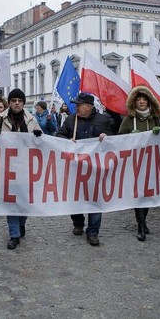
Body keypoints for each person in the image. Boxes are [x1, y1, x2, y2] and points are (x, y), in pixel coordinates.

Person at [57, 92, 114, 246]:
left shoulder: (103, 120)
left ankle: (93, 231)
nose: (76, 107)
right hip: (75, 167)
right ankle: (78, 223)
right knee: (74, 197)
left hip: (96, 168)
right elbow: (60, 135)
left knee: (95, 199)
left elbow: (116, 138)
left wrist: (106, 136)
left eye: (79, 104)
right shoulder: (71, 119)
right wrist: (68, 140)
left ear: (88, 107)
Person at [0, 89, 42, 249]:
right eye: (13, 100)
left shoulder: (31, 119)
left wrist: (39, 136)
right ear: (10, 102)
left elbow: (41, 142)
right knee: (11, 201)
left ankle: (21, 222)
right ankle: (14, 234)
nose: (17, 103)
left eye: (20, 100)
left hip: (26, 168)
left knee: (24, 201)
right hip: (7, 168)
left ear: (24, 102)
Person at [118, 86, 160, 242]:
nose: (142, 102)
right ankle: (140, 225)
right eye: (138, 99)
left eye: (144, 99)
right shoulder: (129, 119)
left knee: (148, 194)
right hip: (135, 163)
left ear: (149, 101)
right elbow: (119, 139)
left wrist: (159, 133)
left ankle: (144, 221)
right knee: (138, 194)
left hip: (150, 162)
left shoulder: (154, 118)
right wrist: (130, 137)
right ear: (134, 103)